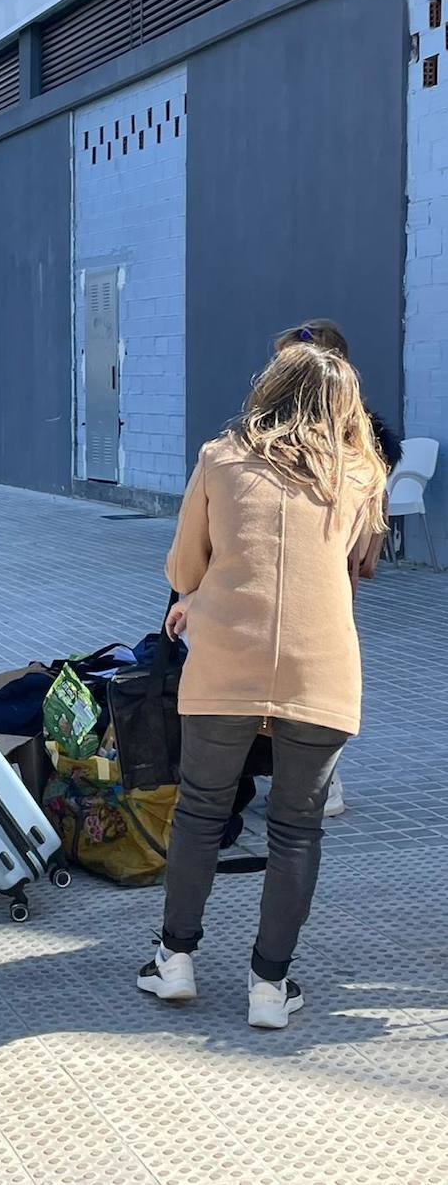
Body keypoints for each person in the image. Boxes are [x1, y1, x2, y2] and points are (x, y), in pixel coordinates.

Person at [136, 343, 385, 1029]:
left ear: (269, 389)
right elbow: (353, 567)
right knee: (296, 830)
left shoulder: (220, 458)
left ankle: (175, 961)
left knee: (200, 812)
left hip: (225, 659)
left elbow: (186, 565)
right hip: (320, 667)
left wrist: (200, 595)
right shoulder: (360, 472)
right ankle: (269, 989)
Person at [274, 318, 401, 817]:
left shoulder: (354, 453)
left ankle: (323, 783)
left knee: (311, 683)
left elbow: (364, 542)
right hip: (300, 584)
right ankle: (305, 779)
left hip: (320, 585)